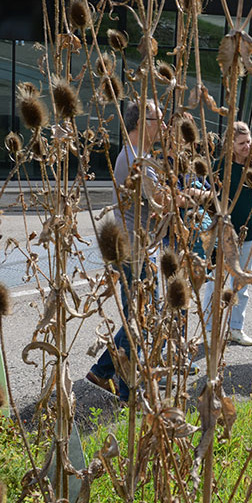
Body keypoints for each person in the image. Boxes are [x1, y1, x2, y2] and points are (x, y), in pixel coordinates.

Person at [87, 99, 165, 401]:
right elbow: (160, 201)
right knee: (141, 318)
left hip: (136, 244)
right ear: (141, 122)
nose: (163, 126)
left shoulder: (136, 155)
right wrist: (196, 195)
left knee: (140, 316)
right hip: (135, 249)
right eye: (158, 119)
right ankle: (124, 387)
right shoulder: (137, 159)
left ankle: (105, 370)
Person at [202, 121, 252, 346]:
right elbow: (210, 200)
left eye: (248, 142)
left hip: (248, 234)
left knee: (241, 283)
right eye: (241, 143)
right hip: (224, 235)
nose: (247, 146)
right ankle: (209, 329)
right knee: (215, 283)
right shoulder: (220, 167)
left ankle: (236, 328)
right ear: (230, 144)